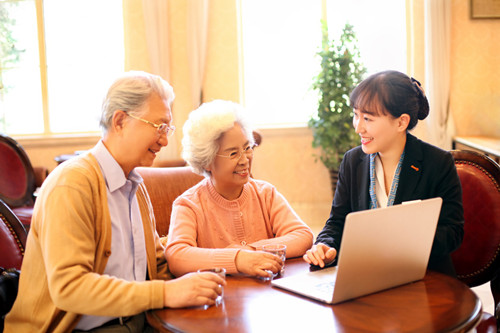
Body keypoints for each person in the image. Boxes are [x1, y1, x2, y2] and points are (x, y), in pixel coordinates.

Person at [4, 71, 224, 333]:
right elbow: (70, 288)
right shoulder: (73, 184)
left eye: (168, 129)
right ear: (120, 121)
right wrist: (165, 293)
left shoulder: (134, 186)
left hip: (138, 321)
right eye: (159, 126)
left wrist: (213, 266)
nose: (165, 140)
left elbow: (157, 265)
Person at [303, 70, 464, 277]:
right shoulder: (352, 162)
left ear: (401, 122)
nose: (358, 127)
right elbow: (337, 221)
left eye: (368, 119)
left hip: (423, 278)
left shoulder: (438, 163)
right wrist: (325, 245)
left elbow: (453, 232)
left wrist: (403, 240)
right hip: (368, 276)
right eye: (356, 115)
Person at [165, 100, 314, 279]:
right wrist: (237, 259)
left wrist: (250, 251)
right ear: (207, 161)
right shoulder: (188, 204)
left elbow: (303, 235)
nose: (245, 160)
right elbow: (177, 256)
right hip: (220, 298)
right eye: (233, 153)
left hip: (266, 294)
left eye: (247, 148)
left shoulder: (265, 193)